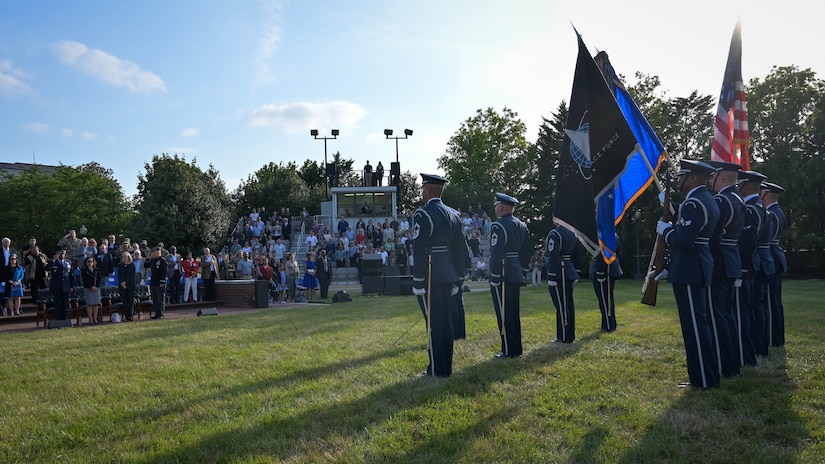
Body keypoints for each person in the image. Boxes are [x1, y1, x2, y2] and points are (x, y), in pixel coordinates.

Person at [656, 160, 721, 389]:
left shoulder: (694, 203)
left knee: (695, 326)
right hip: (697, 266)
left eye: (682, 175)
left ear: (693, 178)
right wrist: (671, 207)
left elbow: (684, 240)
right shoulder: (706, 200)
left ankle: (703, 379)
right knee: (698, 324)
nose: (679, 179)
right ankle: (703, 376)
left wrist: (667, 231)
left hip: (690, 268)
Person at [412, 173, 468, 377]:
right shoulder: (454, 214)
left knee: (434, 324)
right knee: (446, 322)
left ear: (428, 190)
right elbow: (461, 249)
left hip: (431, 276)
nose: (422, 193)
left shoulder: (423, 214)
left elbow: (420, 250)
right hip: (449, 274)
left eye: (422, 189)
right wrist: (459, 277)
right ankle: (446, 367)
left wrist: (418, 281)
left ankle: (436, 370)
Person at [707, 160, 745, 378]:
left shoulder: (722, 200)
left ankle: (723, 366)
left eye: (713, 177)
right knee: (727, 317)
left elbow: (712, 233)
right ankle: (731, 364)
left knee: (717, 317)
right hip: (731, 261)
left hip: (719, 262)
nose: (711, 181)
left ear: (721, 177)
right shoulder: (737, 198)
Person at [489, 192, 532, 358]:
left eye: (496, 206)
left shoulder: (498, 226)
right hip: (515, 272)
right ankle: (516, 348)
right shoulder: (521, 225)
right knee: (513, 313)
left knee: (504, 313)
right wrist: (522, 270)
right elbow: (526, 251)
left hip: (503, 274)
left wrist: (494, 276)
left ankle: (508, 350)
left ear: (501, 207)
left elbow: (496, 254)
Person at [736, 170, 768, 367]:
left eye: (740, 183)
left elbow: (746, 242)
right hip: (755, 263)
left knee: (744, 312)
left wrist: (741, 267)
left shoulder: (751, 208)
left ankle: (747, 355)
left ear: (748, 185)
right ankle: (758, 348)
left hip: (746, 265)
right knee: (754, 309)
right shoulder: (759, 206)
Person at [761, 182, 787, 347]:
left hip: (771, 258)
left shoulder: (772, 214)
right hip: (774, 257)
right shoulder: (776, 212)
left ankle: (773, 338)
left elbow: (766, 239)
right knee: (774, 300)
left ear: (767, 193)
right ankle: (775, 337)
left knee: (771, 302)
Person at [546, 224, 579, 343]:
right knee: (568, 304)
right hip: (569, 270)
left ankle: (565, 336)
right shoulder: (573, 233)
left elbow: (553, 255)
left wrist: (551, 276)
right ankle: (566, 334)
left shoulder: (555, 234)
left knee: (561, 306)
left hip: (560, 272)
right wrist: (576, 271)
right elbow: (577, 254)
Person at [591, 245, 622, 333]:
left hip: (604, 271)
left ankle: (608, 325)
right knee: (607, 298)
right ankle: (609, 323)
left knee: (604, 299)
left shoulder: (604, 235)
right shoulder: (613, 234)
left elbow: (601, 254)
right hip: (611, 268)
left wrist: (600, 273)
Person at [48, 249, 73, 321]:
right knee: (58, 304)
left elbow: (71, 275)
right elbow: (47, 268)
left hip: (66, 285)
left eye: (63, 254)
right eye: (60, 254)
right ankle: (58, 319)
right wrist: (53, 261)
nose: (62, 255)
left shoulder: (68, 262)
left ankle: (64, 319)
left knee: (65, 304)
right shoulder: (53, 262)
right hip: (57, 286)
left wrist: (71, 286)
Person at [81, 255, 103, 324]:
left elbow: (99, 279)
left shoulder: (97, 270)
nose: (90, 263)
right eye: (88, 261)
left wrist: (96, 286)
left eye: (91, 261)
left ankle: (95, 318)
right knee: (89, 304)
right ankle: (90, 319)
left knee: (96, 304)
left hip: (96, 289)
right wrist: (91, 287)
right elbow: (84, 280)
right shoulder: (84, 271)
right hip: (88, 289)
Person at [148, 247, 168, 319]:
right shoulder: (153, 260)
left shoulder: (162, 261)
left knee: (160, 298)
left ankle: (161, 313)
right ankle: (157, 313)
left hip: (160, 283)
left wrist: (162, 281)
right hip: (154, 282)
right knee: (155, 299)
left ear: (158, 252)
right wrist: (148, 258)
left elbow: (164, 272)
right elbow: (146, 265)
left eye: (153, 252)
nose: (152, 254)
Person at [118, 252, 136, 321]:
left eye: (125, 256)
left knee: (130, 301)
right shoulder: (120, 265)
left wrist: (126, 282)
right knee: (124, 301)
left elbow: (132, 276)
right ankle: (126, 316)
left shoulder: (132, 265)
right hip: (122, 286)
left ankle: (130, 315)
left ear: (129, 257)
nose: (124, 258)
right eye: (123, 256)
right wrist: (122, 282)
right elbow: (119, 275)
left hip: (130, 285)